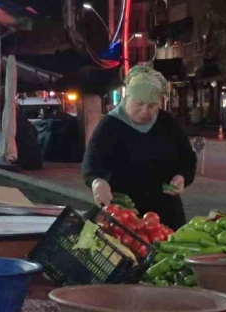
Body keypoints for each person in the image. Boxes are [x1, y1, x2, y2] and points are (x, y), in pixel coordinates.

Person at [82, 66, 197, 230]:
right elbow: (92, 162)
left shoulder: (168, 123)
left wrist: (182, 177)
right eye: (139, 103)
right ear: (127, 97)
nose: (145, 110)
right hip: (124, 214)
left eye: (152, 105)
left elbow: (187, 158)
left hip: (167, 214)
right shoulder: (110, 125)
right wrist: (97, 182)